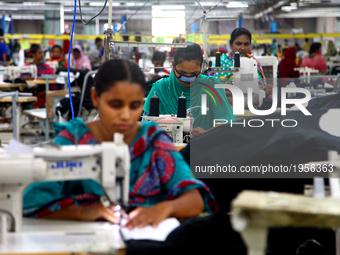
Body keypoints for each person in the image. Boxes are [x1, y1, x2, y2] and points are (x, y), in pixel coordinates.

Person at [23, 59, 217, 228]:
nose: (126, 116)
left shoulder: (153, 141)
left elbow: (195, 199)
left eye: (134, 106)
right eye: (115, 105)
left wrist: (164, 208)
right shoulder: (72, 140)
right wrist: (84, 212)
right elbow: (31, 200)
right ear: (95, 98)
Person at [143, 42, 236, 137]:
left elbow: (226, 121)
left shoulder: (211, 85)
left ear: (201, 67)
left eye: (194, 74)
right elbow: (146, 124)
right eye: (182, 73)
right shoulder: (159, 88)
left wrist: (206, 134)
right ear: (173, 65)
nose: (188, 79)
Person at [213, 27, 273, 100]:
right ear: (230, 44)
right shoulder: (221, 63)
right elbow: (213, 91)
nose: (242, 48)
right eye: (238, 44)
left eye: (246, 44)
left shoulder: (255, 63)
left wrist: (265, 90)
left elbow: (260, 88)